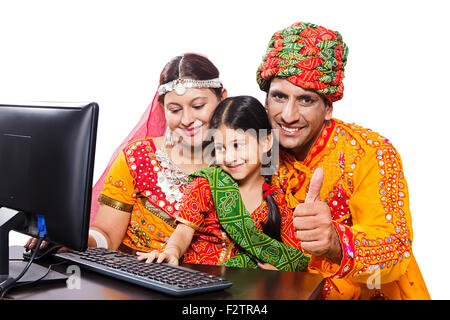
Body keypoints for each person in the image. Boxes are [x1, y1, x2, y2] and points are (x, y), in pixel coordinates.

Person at [256, 22, 430, 299]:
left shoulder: (370, 152)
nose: (288, 115)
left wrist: (335, 242)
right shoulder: (255, 146)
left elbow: (397, 249)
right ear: (265, 100)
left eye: (305, 100)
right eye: (279, 96)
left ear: (328, 108)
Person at [25, 53, 228, 254]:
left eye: (198, 106)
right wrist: (71, 238)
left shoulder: (241, 163)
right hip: (139, 282)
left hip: (224, 283)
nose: (187, 119)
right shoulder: (138, 158)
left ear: (222, 98)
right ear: (162, 109)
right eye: (174, 109)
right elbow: (107, 234)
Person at [137, 96, 310, 271]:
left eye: (237, 145)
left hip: (247, 289)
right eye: (220, 148)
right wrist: (172, 252)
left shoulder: (278, 196)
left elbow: (292, 257)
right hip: (196, 279)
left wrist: (279, 275)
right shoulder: (207, 184)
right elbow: (183, 232)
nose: (229, 157)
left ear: (266, 142)